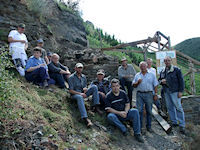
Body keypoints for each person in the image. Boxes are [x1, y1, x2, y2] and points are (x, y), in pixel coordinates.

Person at [105, 79, 144, 143]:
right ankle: (124, 129)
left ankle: (137, 133)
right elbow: (108, 109)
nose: (115, 88)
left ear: (119, 86)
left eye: (117, 86)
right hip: (116, 115)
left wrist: (125, 112)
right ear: (111, 87)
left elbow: (127, 104)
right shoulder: (108, 96)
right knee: (110, 116)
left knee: (135, 111)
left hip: (124, 113)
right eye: (113, 86)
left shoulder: (123, 93)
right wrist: (119, 113)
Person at [68, 63, 102, 127]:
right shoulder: (71, 77)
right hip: (75, 94)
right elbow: (70, 90)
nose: (80, 69)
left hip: (83, 93)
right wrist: (80, 93)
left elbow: (85, 86)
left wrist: (85, 89)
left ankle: (96, 106)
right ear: (75, 68)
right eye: (78, 68)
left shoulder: (83, 77)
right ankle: (85, 118)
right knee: (80, 97)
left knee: (94, 87)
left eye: (81, 68)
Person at [158, 56, 185, 134]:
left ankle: (182, 125)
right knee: (170, 107)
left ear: (171, 61)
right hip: (166, 91)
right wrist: (161, 81)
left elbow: (181, 81)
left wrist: (180, 91)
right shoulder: (162, 71)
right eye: (165, 61)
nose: (167, 62)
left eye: (168, 60)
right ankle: (174, 122)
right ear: (164, 62)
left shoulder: (176, 70)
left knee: (178, 107)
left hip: (175, 91)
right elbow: (159, 80)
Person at [132, 61, 159, 133]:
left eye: (144, 66)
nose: (142, 67)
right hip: (139, 94)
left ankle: (149, 126)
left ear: (146, 66)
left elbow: (155, 85)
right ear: (139, 67)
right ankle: (140, 127)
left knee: (149, 111)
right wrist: (137, 82)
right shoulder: (137, 75)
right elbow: (133, 85)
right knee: (139, 110)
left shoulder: (152, 75)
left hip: (149, 94)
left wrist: (155, 94)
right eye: (141, 66)